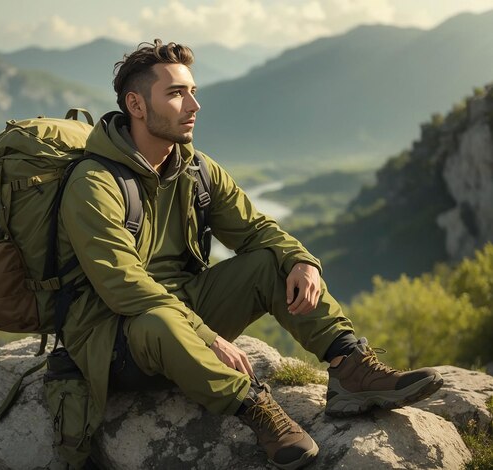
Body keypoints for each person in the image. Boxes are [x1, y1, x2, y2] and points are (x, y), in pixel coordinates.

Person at [57, 39, 443, 469]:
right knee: (160, 318)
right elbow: (123, 286)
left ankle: (350, 367)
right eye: (176, 93)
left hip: (185, 308)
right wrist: (208, 337)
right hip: (118, 337)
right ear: (136, 105)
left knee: (269, 263)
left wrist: (301, 261)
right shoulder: (94, 183)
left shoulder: (196, 168)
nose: (194, 105)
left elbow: (256, 231)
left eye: (193, 91)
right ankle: (257, 409)